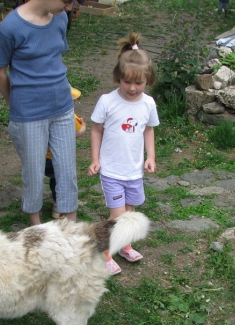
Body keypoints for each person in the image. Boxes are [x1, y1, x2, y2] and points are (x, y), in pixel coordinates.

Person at [0, 0, 78, 226]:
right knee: (33, 172)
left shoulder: (60, 17)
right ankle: (36, 227)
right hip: (28, 113)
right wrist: (14, 103)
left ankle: (71, 227)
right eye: (66, 1)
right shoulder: (10, 28)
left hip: (62, 107)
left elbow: (55, 58)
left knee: (67, 170)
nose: (69, 7)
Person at [87, 33, 159, 275]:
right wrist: (96, 159)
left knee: (129, 213)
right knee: (117, 216)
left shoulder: (148, 104)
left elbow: (148, 130)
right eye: (127, 81)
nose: (132, 88)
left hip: (133, 171)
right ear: (119, 77)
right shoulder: (107, 101)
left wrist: (150, 157)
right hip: (111, 171)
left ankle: (124, 244)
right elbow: (96, 130)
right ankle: (105, 252)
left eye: (138, 83)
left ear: (148, 81)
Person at [46, 87, 87, 219]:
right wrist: (84, 125)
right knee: (60, 179)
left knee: (53, 178)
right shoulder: (70, 117)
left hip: (43, 156)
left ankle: (52, 198)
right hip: (57, 156)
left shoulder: (43, 115)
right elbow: (78, 132)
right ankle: (59, 206)